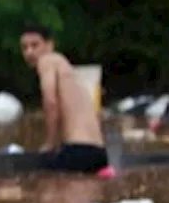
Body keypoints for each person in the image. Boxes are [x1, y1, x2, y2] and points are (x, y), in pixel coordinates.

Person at [19, 24, 107, 172]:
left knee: (44, 188)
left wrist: (50, 143)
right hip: (99, 152)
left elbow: (50, 102)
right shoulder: (68, 71)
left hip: (78, 150)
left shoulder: (47, 60)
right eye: (24, 47)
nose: (29, 52)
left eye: (35, 45)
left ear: (49, 45)